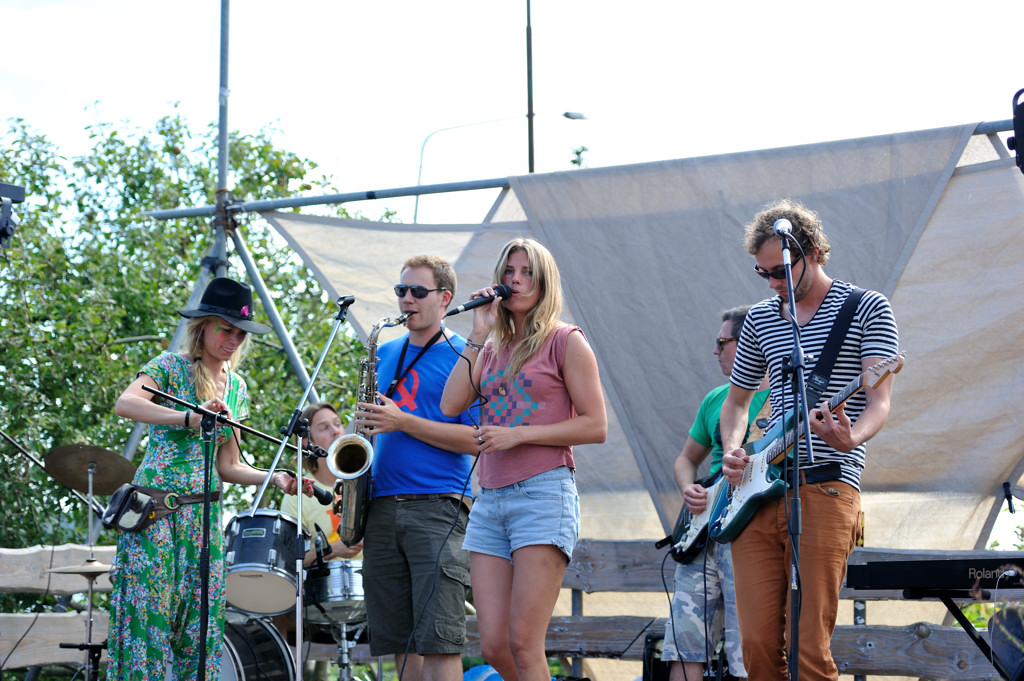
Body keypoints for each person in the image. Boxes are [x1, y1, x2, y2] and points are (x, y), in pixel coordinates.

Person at [719, 199, 899, 681]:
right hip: (758, 493)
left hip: (826, 484)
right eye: (764, 274)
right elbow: (736, 403)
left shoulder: (867, 307)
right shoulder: (759, 319)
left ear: (815, 251)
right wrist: (736, 448)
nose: (774, 283)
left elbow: (878, 401)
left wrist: (850, 436)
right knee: (755, 645)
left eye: (781, 270)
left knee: (808, 650)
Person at [107, 277, 309, 680]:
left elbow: (228, 466)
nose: (233, 339)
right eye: (226, 328)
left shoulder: (236, 387)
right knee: (146, 629)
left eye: (240, 333)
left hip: (203, 524)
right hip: (156, 516)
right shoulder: (169, 367)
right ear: (203, 325)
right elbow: (125, 403)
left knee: (196, 635)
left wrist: (275, 478)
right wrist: (188, 416)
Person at [440, 237, 608, 681]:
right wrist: (478, 333)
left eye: (527, 272)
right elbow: (451, 404)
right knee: (494, 645)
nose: (516, 280)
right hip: (490, 500)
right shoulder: (491, 348)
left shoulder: (565, 341)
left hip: (542, 493)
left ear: (544, 280)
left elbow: (596, 425)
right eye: (509, 272)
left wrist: (518, 435)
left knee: (523, 642)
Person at [352, 254, 479, 681]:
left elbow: (478, 440)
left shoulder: (466, 355)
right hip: (382, 508)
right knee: (401, 649)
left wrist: (403, 421)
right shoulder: (385, 351)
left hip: (438, 507)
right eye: (401, 291)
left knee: (440, 643)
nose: (406, 299)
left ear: (445, 298)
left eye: (417, 292)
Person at [663, 306, 769, 681]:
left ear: (750, 344)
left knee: (749, 653)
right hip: (704, 535)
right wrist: (688, 488)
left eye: (722, 342)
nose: (715, 350)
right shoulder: (716, 399)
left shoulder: (788, 399)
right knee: (684, 646)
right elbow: (685, 459)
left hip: (753, 534)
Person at [280, 401, 363, 566]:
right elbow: (287, 561)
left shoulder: (366, 481)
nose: (336, 431)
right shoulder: (298, 493)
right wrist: (332, 550)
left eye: (337, 424)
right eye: (324, 427)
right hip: (324, 588)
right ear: (307, 442)